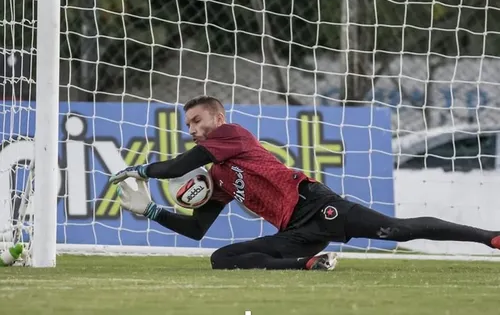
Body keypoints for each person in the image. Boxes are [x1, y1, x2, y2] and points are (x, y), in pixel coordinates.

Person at [109, 95, 500, 270]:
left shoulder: (233, 134)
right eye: (188, 125)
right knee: (220, 258)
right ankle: (307, 264)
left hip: (314, 203)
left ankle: (491, 237)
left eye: (197, 121)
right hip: (296, 232)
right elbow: (196, 229)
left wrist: (142, 171)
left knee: (398, 230)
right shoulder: (217, 177)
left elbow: (181, 165)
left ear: (218, 117)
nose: (192, 129)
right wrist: (153, 211)